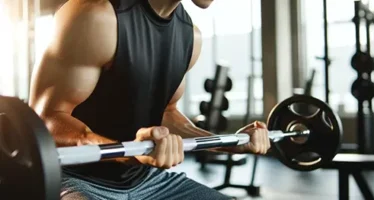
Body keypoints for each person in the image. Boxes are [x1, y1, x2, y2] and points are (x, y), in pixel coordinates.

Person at [28, 0, 271, 199]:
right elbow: (45, 120)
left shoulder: (190, 35)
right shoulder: (96, 14)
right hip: (74, 180)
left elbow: (168, 113)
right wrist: (127, 152)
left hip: (149, 180)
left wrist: (229, 143)